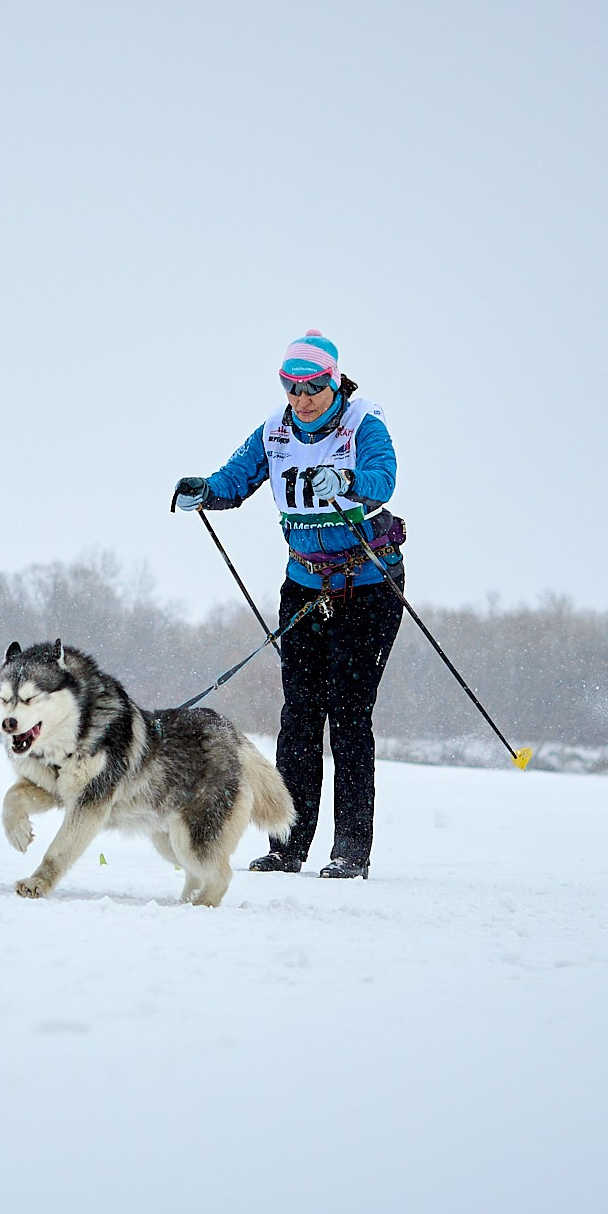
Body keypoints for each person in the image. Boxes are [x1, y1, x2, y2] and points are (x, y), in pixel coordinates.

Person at [171, 331, 404, 879]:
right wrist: (205, 489)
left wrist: (346, 481)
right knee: (299, 716)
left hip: (366, 587)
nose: (300, 400)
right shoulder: (275, 431)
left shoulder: (363, 423)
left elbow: (383, 479)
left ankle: (350, 850)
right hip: (305, 589)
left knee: (348, 715)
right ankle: (287, 845)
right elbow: (237, 478)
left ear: (333, 382)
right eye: (290, 388)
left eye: (312, 389)